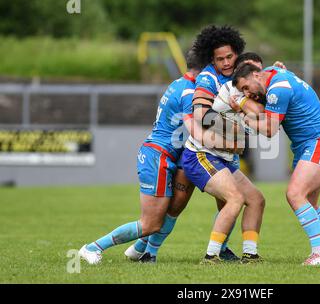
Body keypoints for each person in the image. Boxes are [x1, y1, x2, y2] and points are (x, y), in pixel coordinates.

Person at [78, 51, 238, 265]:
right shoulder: (189, 92)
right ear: (207, 68)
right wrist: (230, 143)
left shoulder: (181, 83)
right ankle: (91, 248)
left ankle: (140, 251)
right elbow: (196, 130)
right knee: (151, 223)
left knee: (173, 208)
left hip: (173, 155)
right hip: (158, 156)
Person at [231, 63, 320, 266]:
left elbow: (269, 130)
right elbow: (276, 67)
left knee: (294, 194)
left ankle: (319, 254)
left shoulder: (277, 90)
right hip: (309, 145)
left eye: (246, 88)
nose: (248, 93)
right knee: (310, 203)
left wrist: (242, 115)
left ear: (257, 75)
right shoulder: (275, 73)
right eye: (243, 91)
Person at [182, 25, 265, 264]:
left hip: (223, 157)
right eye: (220, 59)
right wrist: (235, 130)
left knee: (257, 200)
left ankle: (250, 254)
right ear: (212, 59)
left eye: (230, 56)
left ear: (237, 53)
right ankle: (211, 256)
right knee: (235, 199)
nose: (226, 62)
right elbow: (202, 116)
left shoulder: (241, 75)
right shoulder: (208, 78)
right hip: (201, 154)